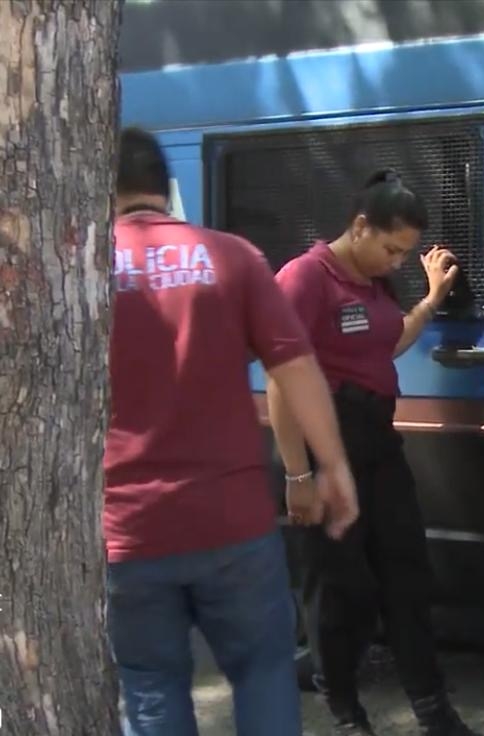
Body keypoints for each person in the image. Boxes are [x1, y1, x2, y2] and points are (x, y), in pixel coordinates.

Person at [105, 126, 358, 736]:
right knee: (263, 672)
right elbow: (295, 367)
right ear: (165, 187)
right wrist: (332, 468)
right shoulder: (232, 256)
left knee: (151, 687)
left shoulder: (75, 269)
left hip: (127, 531)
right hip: (233, 523)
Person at [267, 170, 478, 736]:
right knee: (340, 590)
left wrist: (431, 299)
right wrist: (297, 474)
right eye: (390, 248)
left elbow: (386, 341)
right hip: (323, 439)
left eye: (405, 254)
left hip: (378, 442)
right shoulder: (305, 279)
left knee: (407, 577)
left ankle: (433, 708)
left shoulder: (375, 283)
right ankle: (344, 710)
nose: (395, 261)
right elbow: (282, 382)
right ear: (360, 227)